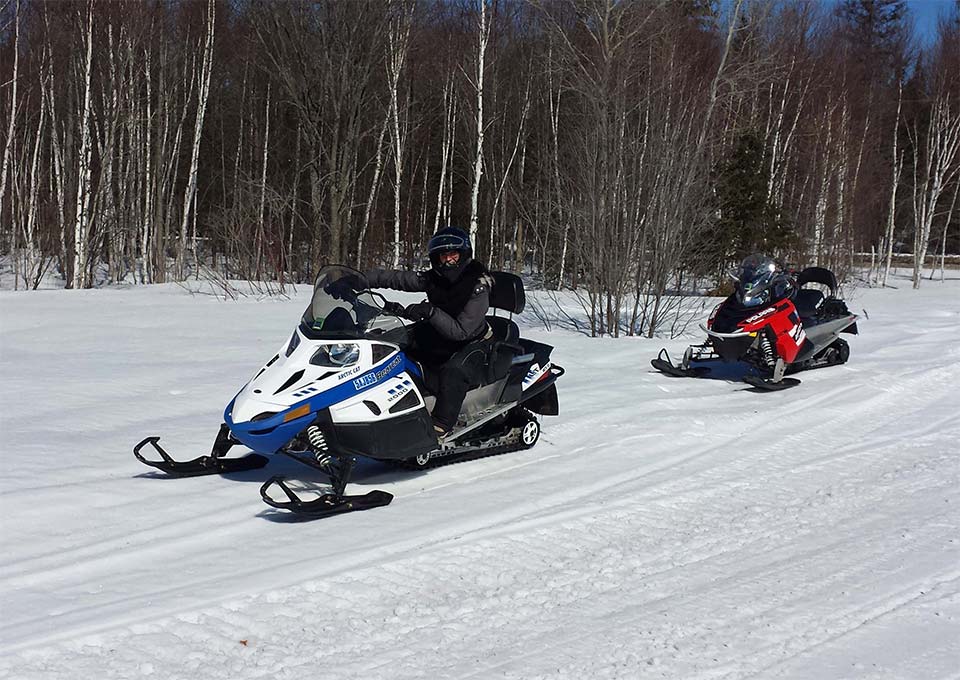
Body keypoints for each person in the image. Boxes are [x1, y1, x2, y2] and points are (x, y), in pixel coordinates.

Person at [364, 227, 494, 437]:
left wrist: (431, 312)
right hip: (440, 331)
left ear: (463, 255)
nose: (448, 261)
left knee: (454, 371)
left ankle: (442, 424)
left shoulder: (477, 286)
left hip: (472, 341)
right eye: (443, 256)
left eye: (453, 255)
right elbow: (400, 279)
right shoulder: (435, 278)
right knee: (391, 341)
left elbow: (461, 332)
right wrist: (364, 278)